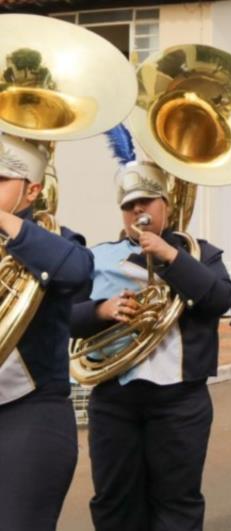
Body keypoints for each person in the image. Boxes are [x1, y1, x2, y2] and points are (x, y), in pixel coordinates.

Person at [70, 145, 231, 530]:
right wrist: (101, 311)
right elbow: (66, 319)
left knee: (177, 502)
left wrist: (169, 256)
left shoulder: (200, 253)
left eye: (146, 202)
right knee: (113, 499)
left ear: (166, 204)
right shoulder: (98, 256)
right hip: (114, 398)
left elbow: (219, 300)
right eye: (129, 206)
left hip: (180, 400)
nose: (137, 212)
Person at [0, 134, 93, 531]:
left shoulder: (54, 241)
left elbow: (77, 272)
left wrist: (4, 223)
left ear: (32, 189)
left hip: (29, 412)